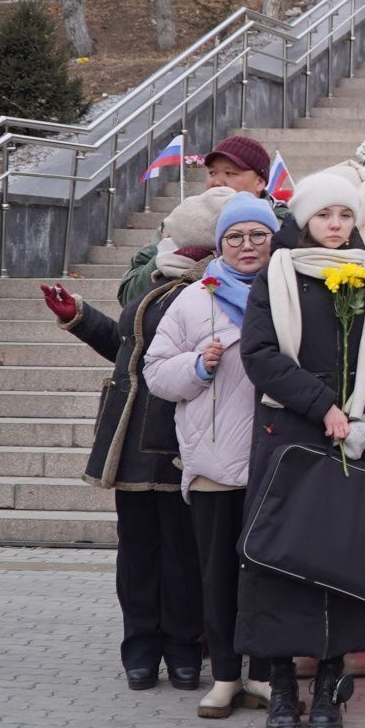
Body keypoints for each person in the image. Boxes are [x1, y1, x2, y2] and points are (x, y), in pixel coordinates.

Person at [237, 171, 365, 728]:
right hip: (290, 433)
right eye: (323, 217)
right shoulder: (277, 273)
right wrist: (321, 406)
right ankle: (283, 684)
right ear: (304, 221)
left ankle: (331, 685)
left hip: (351, 439)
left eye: (344, 217)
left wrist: (363, 417)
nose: (334, 227)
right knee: (280, 559)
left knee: (344, 557)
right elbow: (259, 354)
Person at [45, 190, 235, 692]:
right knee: (137, 553)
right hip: (131, 439)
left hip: (179, 435)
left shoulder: (215, 289)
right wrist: (80, 318)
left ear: (194, 242)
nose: (162, 239)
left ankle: (183, 648)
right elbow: (128, 352)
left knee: (181, 551)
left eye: (171, 232)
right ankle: (141, 649)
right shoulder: (160, 281)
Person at [140, 195, 279, 717]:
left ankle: (265, 673)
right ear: (219, 245)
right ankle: (224, 675)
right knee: (217, 575)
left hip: (274, 461)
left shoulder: (289, 291)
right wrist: (198, 366)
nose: (248, 247)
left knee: (267, 573)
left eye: (258, 235)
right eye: (236, 237)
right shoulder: (196, 298)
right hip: (215, 462)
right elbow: (156, 372)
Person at [117, 135, 281, 307]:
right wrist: (169, 253)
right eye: (212, 173)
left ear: (260, 182)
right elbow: (129, 295)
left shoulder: (286, 225)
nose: (217, 182)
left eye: (230, 173)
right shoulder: (179, 224)